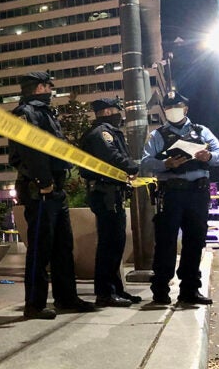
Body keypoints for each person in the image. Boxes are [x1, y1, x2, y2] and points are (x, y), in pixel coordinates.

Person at [8, 71, 96, 319]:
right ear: (37, 87)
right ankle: (34, 304)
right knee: (40, 249)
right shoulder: (26, 113)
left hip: (54, 189)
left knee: (62, 247)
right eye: (47, 86)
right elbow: (30, 150)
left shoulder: (45, 112)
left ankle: (66, 298)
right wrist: (44, 182)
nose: (50, 90)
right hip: (41, 190)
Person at [141, 89, 219, 305]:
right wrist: (165, 164)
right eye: (168, 108)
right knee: (166, 242)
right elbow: (145, 162)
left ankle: (190, 290)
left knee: (195, 241)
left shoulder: (201, 131)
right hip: (171, 193)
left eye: (176, 107)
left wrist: (209, 156)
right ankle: (160, 290)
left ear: (185, 109)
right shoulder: (157, 135)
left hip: (198, 193)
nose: (172, 111)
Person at [79, 98, 142, 307]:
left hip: (112, 193)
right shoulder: (101, 133)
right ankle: (105, 293)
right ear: (107, 111)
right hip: (105, 193)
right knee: (109, 244)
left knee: (116, 243)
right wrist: (132, 166)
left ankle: (116, 289)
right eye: (117, 110)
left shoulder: (108, 131)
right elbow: (112, 156)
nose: (120, 114)